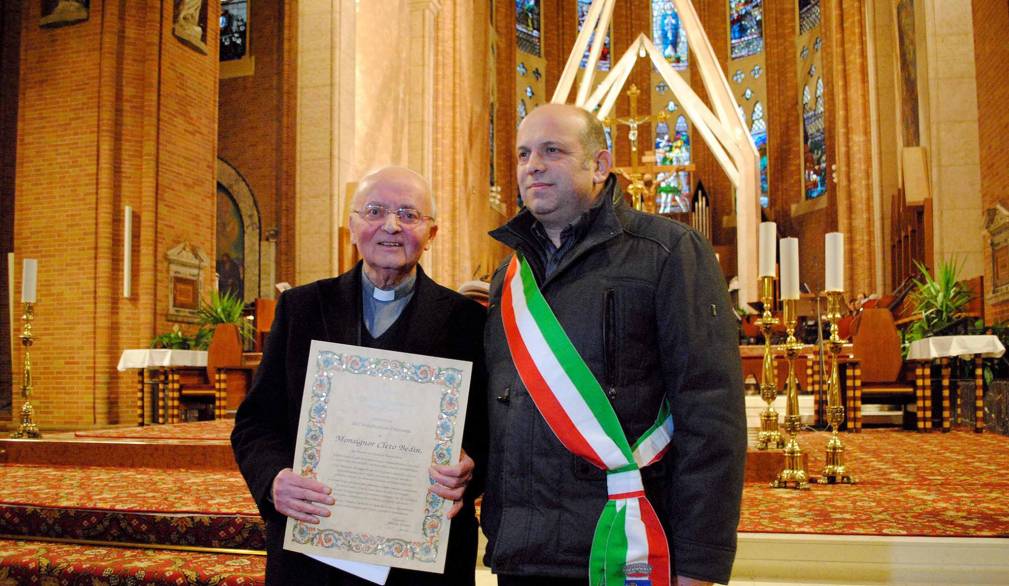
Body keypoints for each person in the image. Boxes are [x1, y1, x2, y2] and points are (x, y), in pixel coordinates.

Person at [481, 103, 747, 586]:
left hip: (626, 543)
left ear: (599, 166)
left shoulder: (668, 252)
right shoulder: (509, 277)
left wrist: (699, 561)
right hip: (522, 549)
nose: (532, 165)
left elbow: (711, 412)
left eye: (552, 150)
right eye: (523, 154)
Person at [231, 166, 487, 585]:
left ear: (431, 233)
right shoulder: (301, 309)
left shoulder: (467, 324)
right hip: (315, 551)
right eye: (374, 211)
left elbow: (489, 431)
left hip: (421, 561)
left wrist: (471, 469)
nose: (391, 225)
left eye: (409, 214)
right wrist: (274, 478)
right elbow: (255, 422)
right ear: (352, 227)